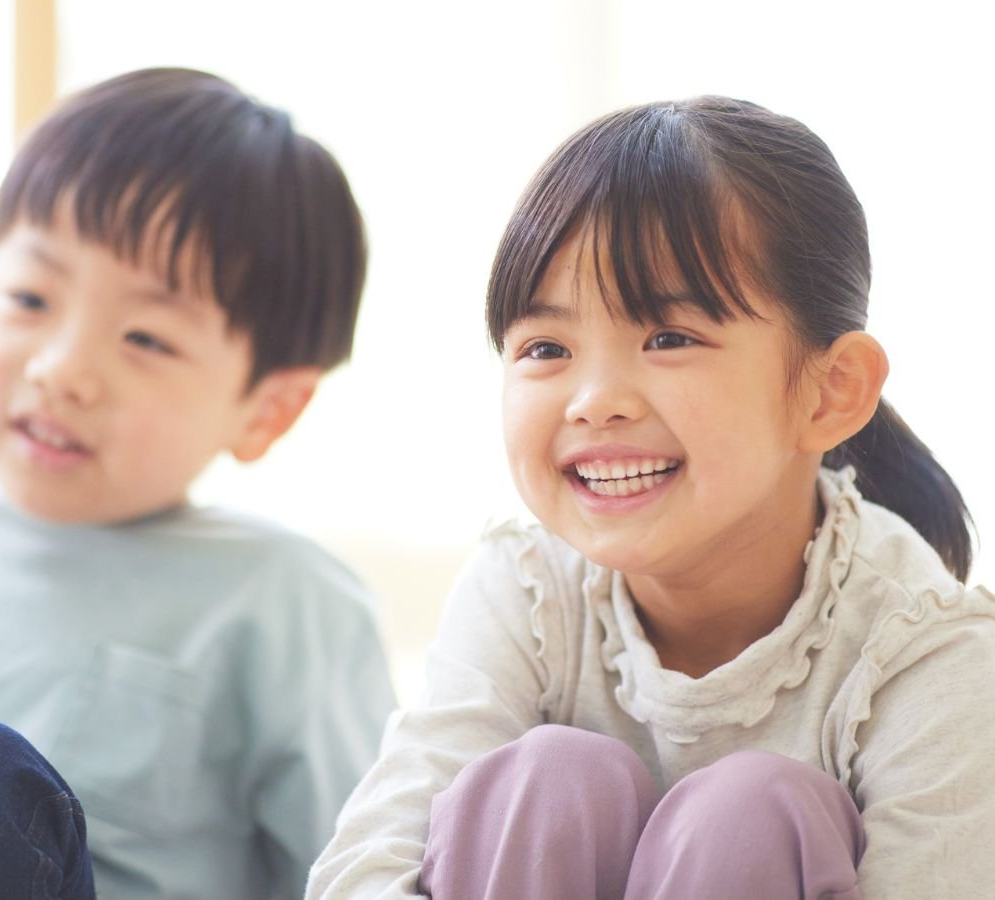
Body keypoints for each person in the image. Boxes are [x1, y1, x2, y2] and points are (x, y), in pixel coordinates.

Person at [308, 95, 994, 899]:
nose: (595, 400)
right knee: (549, 775)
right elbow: (365, 865)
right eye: (546, 347)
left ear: (830, 392)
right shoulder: (528, 587)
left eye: (668, 338)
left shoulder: (933, 659)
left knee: (753, 815)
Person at [0, 67, 396, 899]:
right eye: (30, 296)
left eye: (145, 338)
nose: (61, 370)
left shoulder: (282, 597)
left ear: (268, 410)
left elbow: (353, 872)